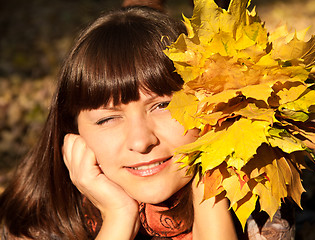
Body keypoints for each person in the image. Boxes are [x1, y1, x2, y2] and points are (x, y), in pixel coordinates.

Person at [0, 7, 240, 240]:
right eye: (107, 119)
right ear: (73, 133)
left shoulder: (264, 200)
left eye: (163, 106)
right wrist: (119, 218)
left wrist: (209, 191)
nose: (141, 141)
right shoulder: (37, 223)